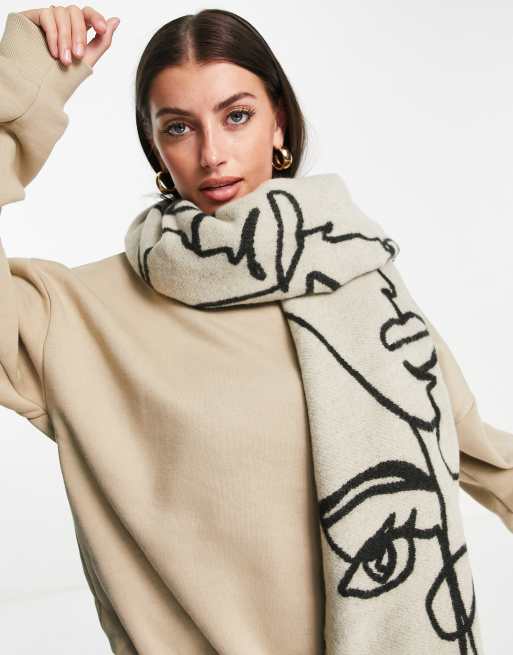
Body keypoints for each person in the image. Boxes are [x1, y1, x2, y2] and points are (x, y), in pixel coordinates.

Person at [1, 6, 512, 653]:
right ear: (155, 147)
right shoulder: (80, 316)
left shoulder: (356, 275)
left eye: (235, 115)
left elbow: (474, 450)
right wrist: (27, 84)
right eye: (179, 127)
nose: (212, 153)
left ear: (278, 122)